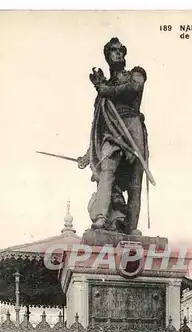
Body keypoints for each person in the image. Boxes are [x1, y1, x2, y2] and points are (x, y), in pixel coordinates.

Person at [78, 38, 149, 234]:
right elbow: (98, 126)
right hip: (111, 131)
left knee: (135, 180)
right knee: (107, 170)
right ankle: (101, 217)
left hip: (132, 128)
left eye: (120, 51)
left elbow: (132, 89)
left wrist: (104, 90)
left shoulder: (134, 75)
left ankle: (132, 226)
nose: (118, 54)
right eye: (113, 51)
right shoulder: (102, 91)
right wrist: (88, 154)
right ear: (108, 57)